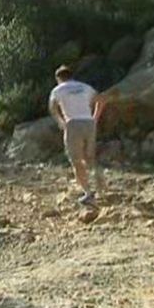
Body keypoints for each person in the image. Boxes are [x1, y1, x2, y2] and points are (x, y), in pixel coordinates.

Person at [49, 65, 106, 205]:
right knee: (90, 157)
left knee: (76, 159)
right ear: (71, 76)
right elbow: (101, 99)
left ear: (58, 78)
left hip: (73, 123)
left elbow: (52, 107)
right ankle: (101, 186)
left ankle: (88, 193)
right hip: (88, 122)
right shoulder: (84, 86)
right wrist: (95, 118)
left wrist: (61, 122)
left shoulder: (58, 89)